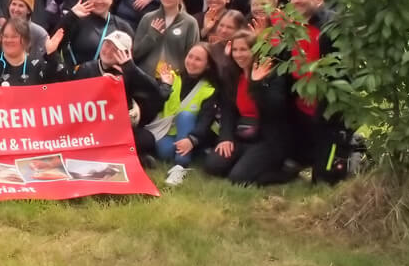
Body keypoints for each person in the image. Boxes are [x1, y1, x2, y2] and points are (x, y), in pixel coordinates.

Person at [204, 31, 291, 185]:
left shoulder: (271, 73)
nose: (239, 54)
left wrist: (257, 84)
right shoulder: (233, 75)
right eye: (235, 50)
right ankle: (245, 162)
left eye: (244, 49)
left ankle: (285, 171)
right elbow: (228, 110)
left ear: (255, 50)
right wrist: (226, 137)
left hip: (266, 139)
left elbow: (275, 108)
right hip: (242, 135)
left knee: (238, 178)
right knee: (213, 166)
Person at [280, 0, 345, 183]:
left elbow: (343, 69)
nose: (296, 1)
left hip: (327, 107)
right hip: (300, 106)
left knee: (324, 179)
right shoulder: (291, 26)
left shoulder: (333, 26)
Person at [72, 31, 164, 162]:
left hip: (118, 129)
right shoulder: (86, 68)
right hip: (91, 129)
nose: (108, 51)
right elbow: (73, 102)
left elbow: (155, 94)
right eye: (107, 45)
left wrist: (131, 69)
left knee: (146, 139)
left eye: (115, 49)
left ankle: (117, 154)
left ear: (126, 54)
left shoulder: (130, 72)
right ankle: (129, 156)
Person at [148, 42, 222, 182]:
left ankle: (180, 166)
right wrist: (165, 87)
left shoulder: (209, 89)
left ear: (207, 65)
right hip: (168, 131)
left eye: (198, 59)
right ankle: (194, 154)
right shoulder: (171, 77)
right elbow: (154, 105)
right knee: (164, 151)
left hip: (193, 134)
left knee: (186, 115)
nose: (192, 62)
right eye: (190, 56)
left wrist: (192, 140)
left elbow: (206, 120)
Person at [133, 0, 201, 77]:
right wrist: (151, 37)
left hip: (174, 79)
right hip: (146, 77)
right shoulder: (148, 18)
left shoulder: (190, 23)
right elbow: (136, 54)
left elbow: (192, 56)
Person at [57, 0, 133, 68]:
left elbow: (131, 58)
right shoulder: (77, 20)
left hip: (107, 76)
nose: (99, 1)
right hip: (77, 75)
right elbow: (54, 44)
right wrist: (71, 15)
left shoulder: (121, 26)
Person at [0, 18, 68, 86]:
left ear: (25, 40)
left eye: (14, 36)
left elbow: (63, 84)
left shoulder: (38, 66)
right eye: (5, 36)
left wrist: (52, 54)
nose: (9, 40)